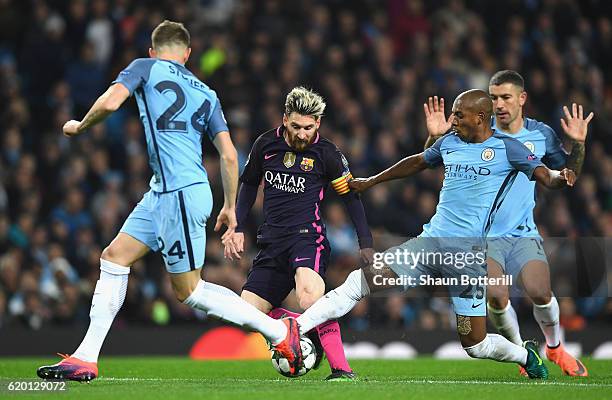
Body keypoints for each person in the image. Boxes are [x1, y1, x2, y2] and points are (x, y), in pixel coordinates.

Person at [37, 20, 302, 382]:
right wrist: (228, 206)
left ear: (152, 50)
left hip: (179, 191)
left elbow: (112, 101)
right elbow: (227, 155)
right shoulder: (207, 93)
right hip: (164, 191)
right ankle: (86, 356)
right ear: (188, 55)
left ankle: (279, 333)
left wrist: (80, 126)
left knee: (189, 291)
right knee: (114, 257)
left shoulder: (144, 68)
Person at [292, 89, 579, 379]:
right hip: (429, 244)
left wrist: (561, 176)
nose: (452, 119)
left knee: (475, 345)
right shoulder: (450, 142)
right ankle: (295, 330)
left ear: (480, 118)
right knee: (358, 281)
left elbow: (546, 175)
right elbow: (417, 161)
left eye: (459, 114)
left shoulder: (509, 148)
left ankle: (524, 355)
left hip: (468, 257)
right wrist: (371, 182)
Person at [422, 70, 592, 376]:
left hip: (522, 232)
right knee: (497, 297)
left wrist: (578, 146)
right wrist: (434, 136)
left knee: (540, 291)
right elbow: (432, 160)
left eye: (505, 97)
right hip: (484, 237)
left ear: (521, 99)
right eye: (494, 97)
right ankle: (523, 355)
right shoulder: (473, 133)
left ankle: (555, 348)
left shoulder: (540, 135)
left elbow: (567, 175)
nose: (498, 104)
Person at [223, 87, 374, 381]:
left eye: (308, 127)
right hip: (271, 242)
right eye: (295, 127)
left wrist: (365, 243)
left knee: (309, 297)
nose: (302, 134)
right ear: (284, 120)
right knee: (247, 312)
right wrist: (237, 226)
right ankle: (300, 330)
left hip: (308, 237)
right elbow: (249, 186)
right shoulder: (265, 144)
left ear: (317, 123)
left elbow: (351, 199)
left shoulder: (327, 153)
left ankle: (341, 369)